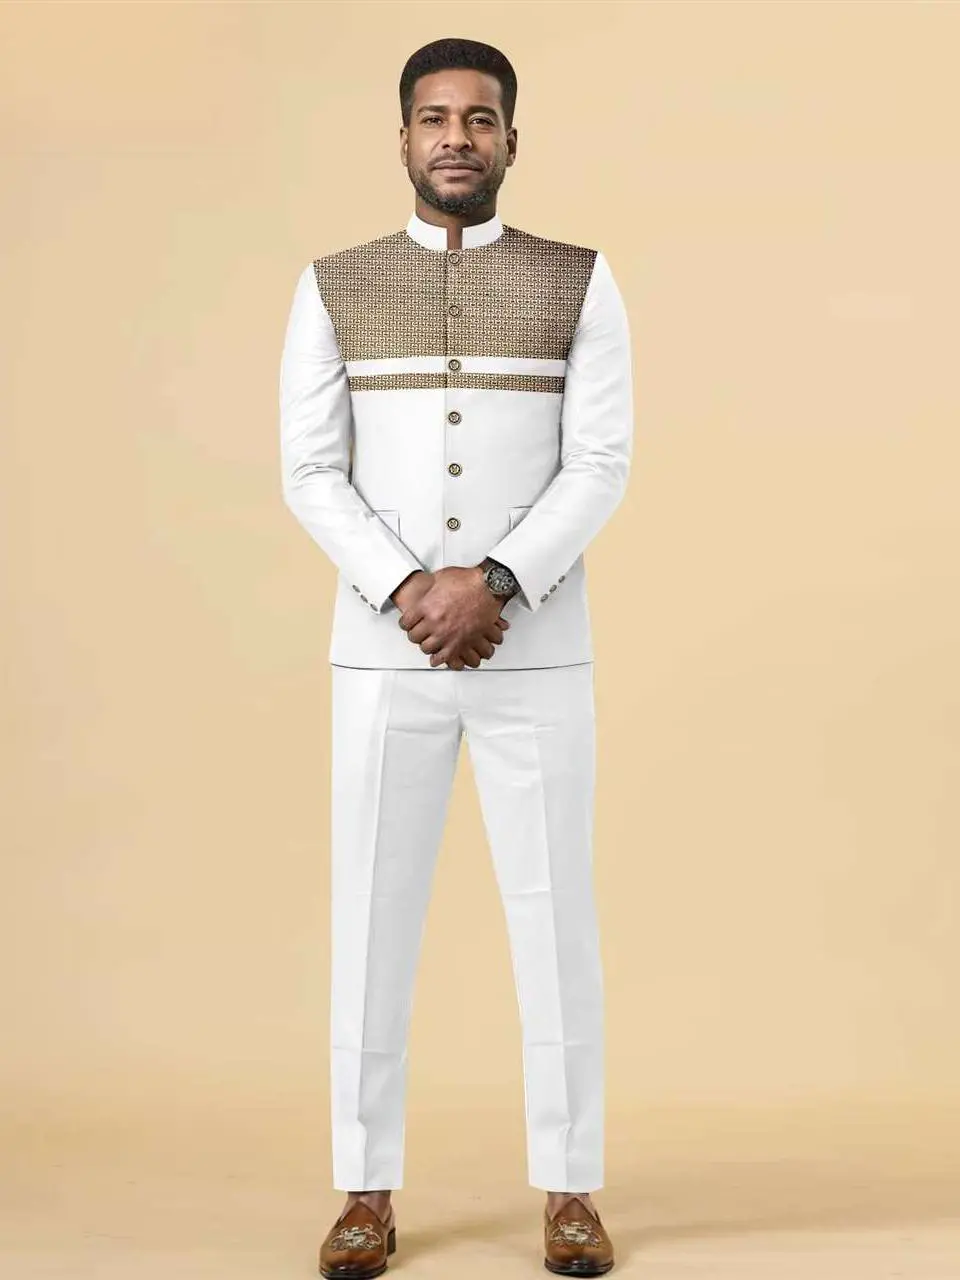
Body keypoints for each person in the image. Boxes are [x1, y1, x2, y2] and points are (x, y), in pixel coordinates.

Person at [279, 35, 633, 1278]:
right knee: (370, 917)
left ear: (511, 141)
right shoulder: (333, 283)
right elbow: (309, 469)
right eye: (435, 118)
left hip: (537, 652)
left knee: (556, 915)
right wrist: (405, 590)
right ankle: (364, 1188)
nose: (456, 139)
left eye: (479, 120)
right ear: (402, 137)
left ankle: (572, 1188)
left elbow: (600, 463)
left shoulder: (579, 280)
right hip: (382, 659)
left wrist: (493, 583)